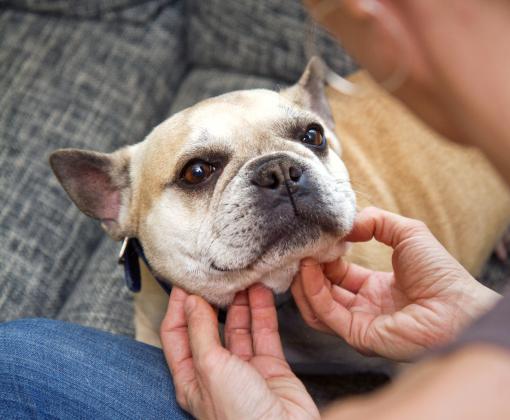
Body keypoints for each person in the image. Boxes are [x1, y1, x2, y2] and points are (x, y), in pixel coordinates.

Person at [2, 0, 510, 418]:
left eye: (308, 138)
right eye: (199, 173)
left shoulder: (379, 281)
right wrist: (475, 313)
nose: (283, 177)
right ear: (117, 204)